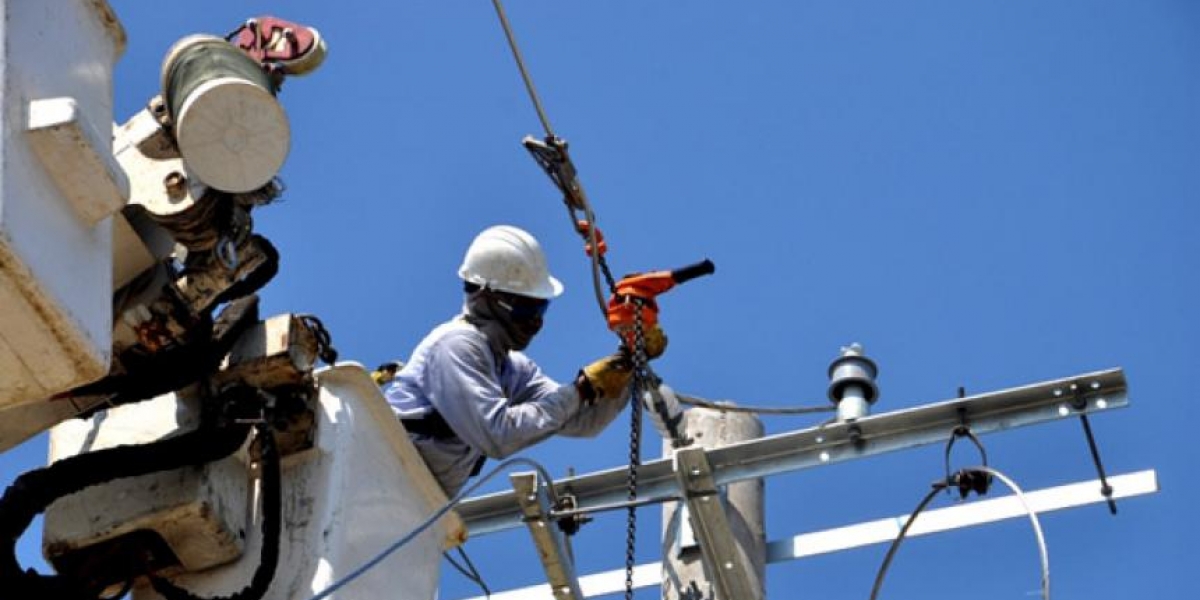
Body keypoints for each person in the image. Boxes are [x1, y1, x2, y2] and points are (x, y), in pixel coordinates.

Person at [382, 225, 665, 496]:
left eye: (541, 306)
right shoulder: (456, 345)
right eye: (527, 307)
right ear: (487, 297)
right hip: (379, 477)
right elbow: (498, 434)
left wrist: (626, 362)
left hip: (414, 502)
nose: (536, 320)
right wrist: (581, 389)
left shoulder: (511, 369)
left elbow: (582, 420)